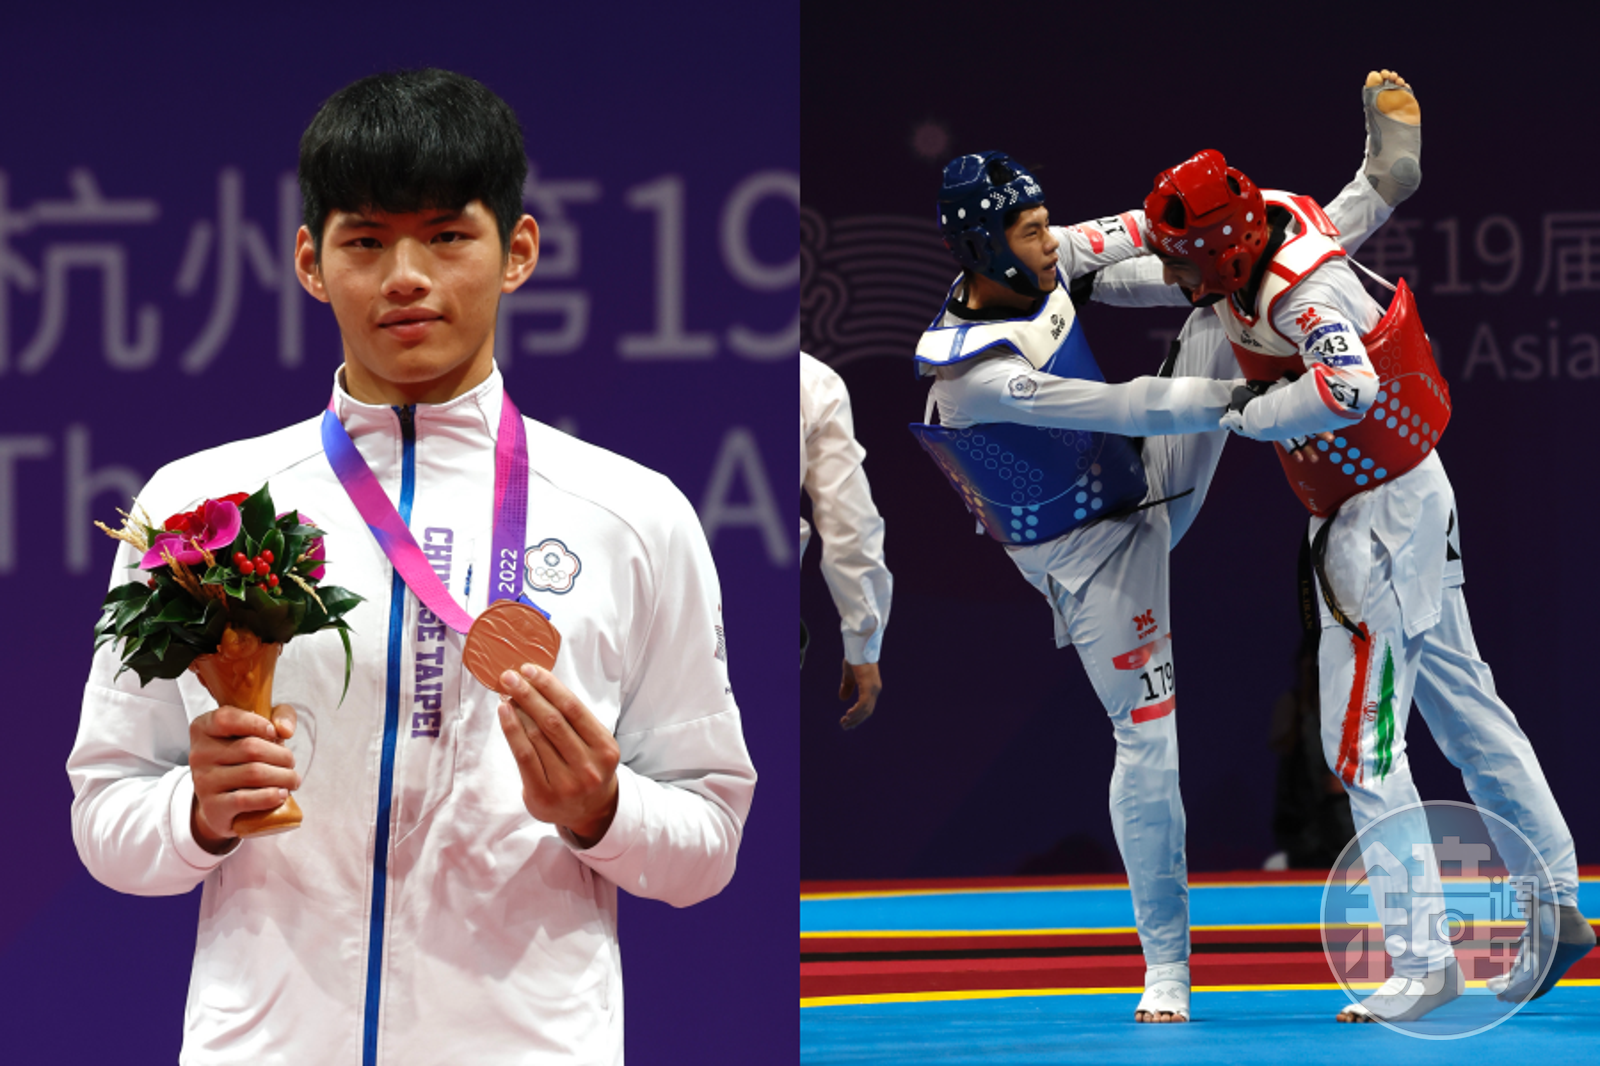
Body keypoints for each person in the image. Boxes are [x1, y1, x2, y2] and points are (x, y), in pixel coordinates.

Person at [67, 69, 755, 1064]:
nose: (405, 276)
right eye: (364, 241)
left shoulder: (633, 517)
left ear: (518, 251)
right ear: (310, 262)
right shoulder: (200, 513)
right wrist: (198, 813)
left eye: (445, 236)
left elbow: (709, 841)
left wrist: (604, 811)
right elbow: (105, 813)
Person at [911, 75, 1419, 1024]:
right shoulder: (972, 374)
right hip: (1090, 554)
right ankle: (1167, 967)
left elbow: (1177, 236)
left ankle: (1376, 191)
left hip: (1147, 478)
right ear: (984, 249)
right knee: (1147, 743)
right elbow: (1126, 404)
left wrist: (1226, 223)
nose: (1053, 243)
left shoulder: (1046, 259)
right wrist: (1257, 405)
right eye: (1032, 234)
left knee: (1220, 284)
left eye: (1048, 225)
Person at [1145, 73, 1592, 1024]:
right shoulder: (1272, 225)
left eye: (1185, 265)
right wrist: (1070, 259)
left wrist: (1252, 415)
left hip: (1372, 523)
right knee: (1470, 713)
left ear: (1221, 251)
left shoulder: (1298, 297)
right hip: (1415, 491)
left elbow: (1347, 390)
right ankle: (1556, 903)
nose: (1176, 281)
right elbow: (1314, 226)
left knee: (1361, 748)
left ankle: (1424, 960)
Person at [801, 351, 892, 729]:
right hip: (754, 615)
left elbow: (850, 525)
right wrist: (862, 641)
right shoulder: (809, 380)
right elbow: (849, 523)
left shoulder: (626, 351)